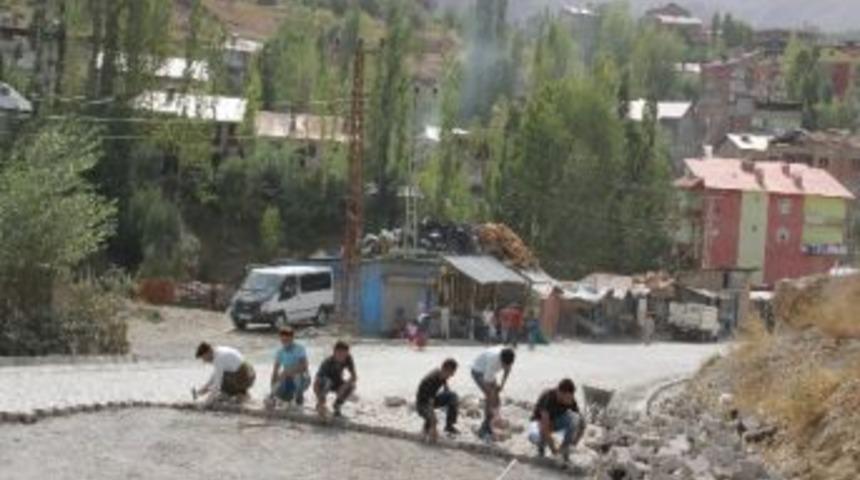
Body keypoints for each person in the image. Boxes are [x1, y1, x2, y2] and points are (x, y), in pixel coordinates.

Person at [527, 379, 585, 463]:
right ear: (560, 393)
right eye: (567, 398)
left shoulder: (571, 399)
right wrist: (554, 452)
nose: (570, 400)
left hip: (554, 423)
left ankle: (564, 450)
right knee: (538, 436)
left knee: (575, 419)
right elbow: (545, 427)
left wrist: (573, 444)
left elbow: (582, 423)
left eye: (571, 397)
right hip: (538, 424)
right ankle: (541, 448)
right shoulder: (548, 396)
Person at [471, 346, 516, 440]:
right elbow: (488, 387)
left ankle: (492, 421)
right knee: (489, 396)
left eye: (509, 365)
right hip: (478, 371)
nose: (506, 367)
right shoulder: (493, 361)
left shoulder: (508, 357)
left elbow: (507, 371)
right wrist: (493, 393)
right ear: (501, 361)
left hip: (488, 371)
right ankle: (484, 428)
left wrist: (502, 385)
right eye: (505, 365)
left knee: (496, 398)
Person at [416, 358, 460, 442]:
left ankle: (449, 426)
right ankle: (426, 429)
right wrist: (434, 425)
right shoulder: (431, 380)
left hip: (432, 400)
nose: (452, 375)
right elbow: (430, 404)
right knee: (432, 420)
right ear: (445, 369)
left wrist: (452, 406)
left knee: (453, 396)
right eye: (451, 373)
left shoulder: (442, 374)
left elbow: (446, 389)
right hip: (422, 404)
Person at [314, 341, 357, 418]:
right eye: (339, 354)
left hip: (337, 381)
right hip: (324, 383)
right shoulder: (327, 362)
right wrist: (320, 400)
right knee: (328, 382)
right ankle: (320, 404)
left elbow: (354, 376)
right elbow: (316, 381)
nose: (342, 357)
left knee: (352, 385)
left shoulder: (348, 358)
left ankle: (337, 405)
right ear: (334, 352)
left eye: (344, 354)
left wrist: (345, 385)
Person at [270, 327, 310, 406]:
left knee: (295, 375)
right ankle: (282, 396)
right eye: (283, 340)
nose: (285, 342)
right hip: (287, 378)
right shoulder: (280, 352)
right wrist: (272, 390)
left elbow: (304, 366)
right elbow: (275, 371)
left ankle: (299, 396)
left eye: (287, 340)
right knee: (281, 397)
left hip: (302, 378)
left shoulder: (300, 349)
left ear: (292, 338)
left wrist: (288, 371)